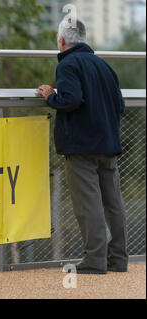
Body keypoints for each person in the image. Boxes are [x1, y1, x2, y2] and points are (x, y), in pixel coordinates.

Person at [36, 18, 128, 274]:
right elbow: (120, 106)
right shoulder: (105, 66)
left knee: (88, 204)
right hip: (109, 144)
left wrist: (50, 96)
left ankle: (95, 261)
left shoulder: (68, 64)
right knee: (113, 204)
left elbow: (71, 99)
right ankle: (118, 259)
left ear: (62, 41)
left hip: (81, 147)